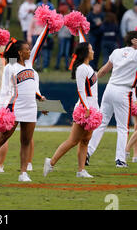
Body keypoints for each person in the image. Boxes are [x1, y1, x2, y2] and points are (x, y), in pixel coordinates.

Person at [0, 29, 50, 182]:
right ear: (19, 53)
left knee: (26, 141)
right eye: (26, 49)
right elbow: (5, 91)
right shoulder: (11, 67)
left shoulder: (30, 65)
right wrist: (2, 110)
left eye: (30, 49)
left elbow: (39, 44)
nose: (30, 51)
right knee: (2, 138)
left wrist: (47, 27)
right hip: (15, 107)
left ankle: (23, 173)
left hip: (31, 107)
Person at [86, 31, 137, 168]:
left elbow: (103, 71)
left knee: (102, 123)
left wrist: (93, 78)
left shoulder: (117, 52)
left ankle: (87, 152)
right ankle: (120, 160)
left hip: (109, 88)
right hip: (123, 91)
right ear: (133, 41)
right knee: (122, 127)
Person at [44, 42, 96, 178]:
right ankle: (51, 162)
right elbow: (80, 90)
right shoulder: (81, 69)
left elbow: (83, 39)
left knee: (86, 140)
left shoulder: (88, 67)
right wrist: (86, 108)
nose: (93, 51)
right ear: (85, 53)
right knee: (73, 140)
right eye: (90, 49)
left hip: (92, 108)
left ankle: (81, 170)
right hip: (85, 108)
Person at [87, 3, 105, 70]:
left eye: (99, 7)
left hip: (100, 36)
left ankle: (95, 66)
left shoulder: (102, 15)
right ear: (93, 7)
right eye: (97, 6)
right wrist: (96, 25)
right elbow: (88, 26)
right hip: (93, 35)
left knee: (97, 51)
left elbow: (104, 24)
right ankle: (91, 66)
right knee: (92, 51)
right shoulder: (90, 15)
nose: (98, 8)